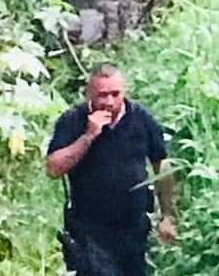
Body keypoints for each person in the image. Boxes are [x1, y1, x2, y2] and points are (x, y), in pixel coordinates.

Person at [45, 64, 177, 276]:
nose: (109, 102)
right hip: (88, 231)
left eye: (115, 94)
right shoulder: (73, 120)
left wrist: (168, 215)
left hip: (133, 229)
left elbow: (162, 166)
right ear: (89, 94)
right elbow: (53, 168)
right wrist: (88, 136)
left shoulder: (141, 119)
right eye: (102, 95)